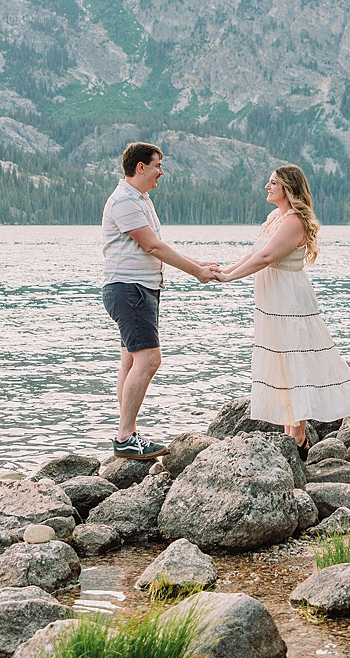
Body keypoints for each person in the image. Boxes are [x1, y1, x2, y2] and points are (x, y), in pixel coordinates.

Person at [213, 164, 350, 454]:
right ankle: (291, 434)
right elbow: (253, 254)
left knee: (295, 359)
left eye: (273, 183)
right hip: (272, 302)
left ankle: (298, 438)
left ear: (288, 188)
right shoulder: (273, 218)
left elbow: (266, 257)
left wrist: (229, 278)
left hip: (289, 301)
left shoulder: (294, 221)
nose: (267, 186)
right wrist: (225, 271)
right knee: (280, 360)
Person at [101, 141, 219, 460]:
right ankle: (125, 437)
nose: (161, 172)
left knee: (131, 361)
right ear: (141, 167)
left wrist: (197, 263)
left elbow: (156, 247)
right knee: (150, 360)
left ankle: (128, 432)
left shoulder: (140, 199)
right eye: (157, 166)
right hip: (130, 289)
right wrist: (196, 271)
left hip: (136, 288)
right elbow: (152, 246)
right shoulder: (125, 201)